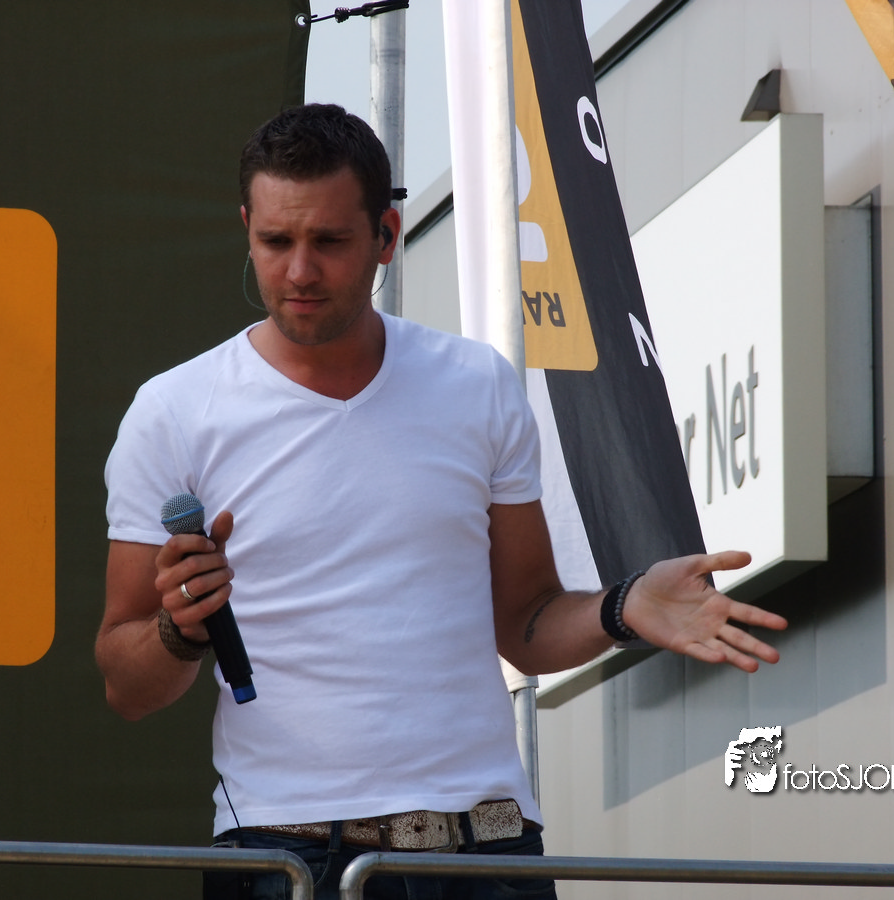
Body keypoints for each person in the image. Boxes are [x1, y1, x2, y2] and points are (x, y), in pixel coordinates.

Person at [96, 103, 787, 900]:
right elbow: (125, 685)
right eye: (276, 242)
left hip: (484, 848)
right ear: (247, 228)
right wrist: (181, 629)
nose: (299, 271)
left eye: (329, 241)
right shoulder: (174, 412)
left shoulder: (475, 384)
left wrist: (623, 607)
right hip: (286, 853)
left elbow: (525, 623)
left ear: (386, 235)